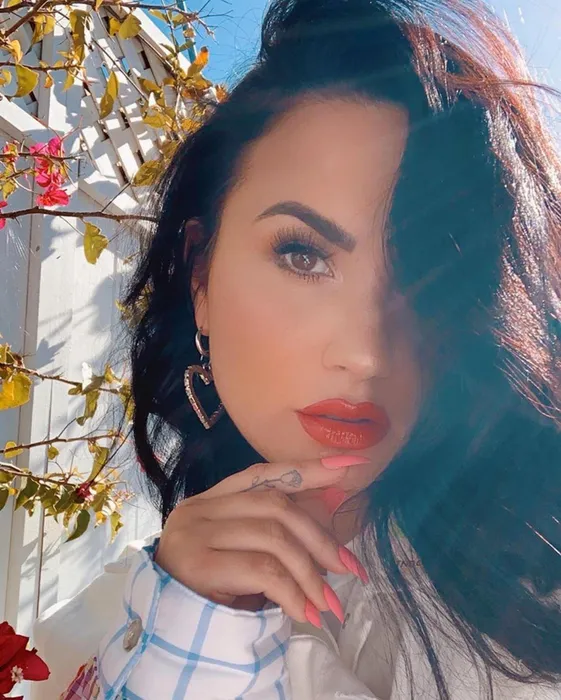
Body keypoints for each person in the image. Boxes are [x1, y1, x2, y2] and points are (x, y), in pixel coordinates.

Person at [33, 0, 561, 698]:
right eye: (303, 256)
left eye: (427, 278)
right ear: (200, 276)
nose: (366, 352)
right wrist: (191, 633)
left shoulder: (530, 602)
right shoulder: (109, 620)